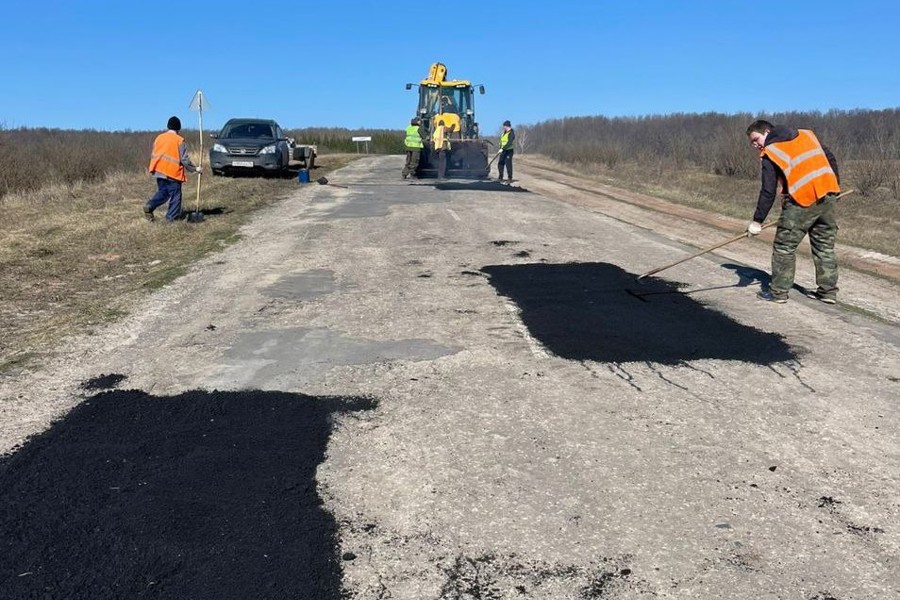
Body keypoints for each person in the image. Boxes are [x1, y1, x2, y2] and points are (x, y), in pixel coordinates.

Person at [746, 119, 841, 304]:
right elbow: (829, 157)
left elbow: (768, 189)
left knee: (784, 247)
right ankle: (828, 292)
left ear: (767, 131)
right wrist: (835, 184)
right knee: (824, 247)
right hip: (828, 195)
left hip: (802, 200)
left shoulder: (771, 152)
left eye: (756, 139)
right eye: (752, 143)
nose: (755, 144)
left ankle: (778, 293)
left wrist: (757, 221)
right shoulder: (806, 135)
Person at [144, 116, 201, 222]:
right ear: (178, 128)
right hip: (172, 172)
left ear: (168, 126)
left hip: (158, 170)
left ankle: (150, 205)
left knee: (163, 192)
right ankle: (171, 219)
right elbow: (184, 160)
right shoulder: (179, 140)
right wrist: (195, 169)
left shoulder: (159, 138)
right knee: (176, 196)